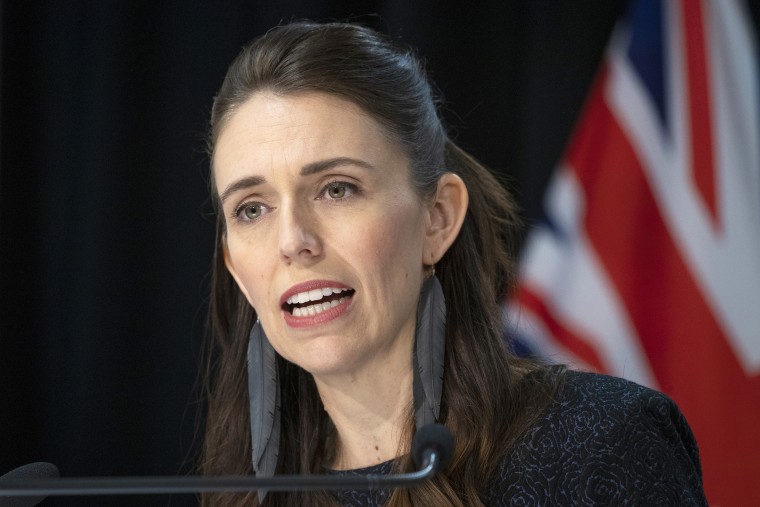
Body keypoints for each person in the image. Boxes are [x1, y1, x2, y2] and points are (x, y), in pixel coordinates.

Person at [200, 21, 707, 506]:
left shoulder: (601, 444)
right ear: (235, 268)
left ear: (438, 219)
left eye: (337, 189)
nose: (292, 240)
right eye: (252, 209)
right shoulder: (245, 493)